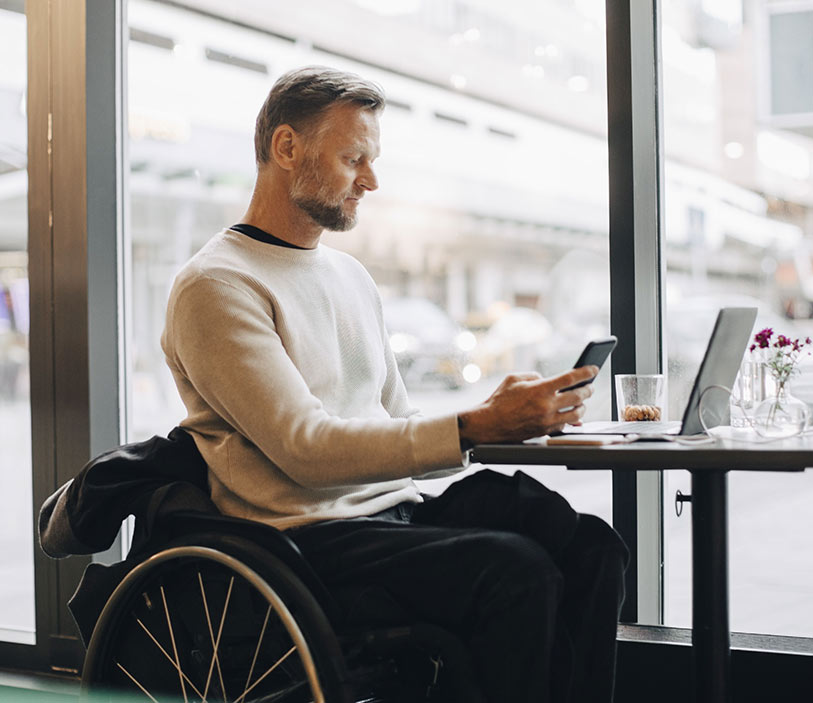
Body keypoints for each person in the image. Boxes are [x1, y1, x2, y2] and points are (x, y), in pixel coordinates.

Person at [161, 65, 628, 703]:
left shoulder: (350, 277)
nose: (372, 180)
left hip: (394, 517)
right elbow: (307, 449)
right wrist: (475, 427)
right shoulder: (217, 285)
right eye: (354, 158)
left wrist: (504, 415)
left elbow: (398, 423)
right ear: (287, 148)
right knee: (515, 574)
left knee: (591, 546)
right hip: (305, 543)